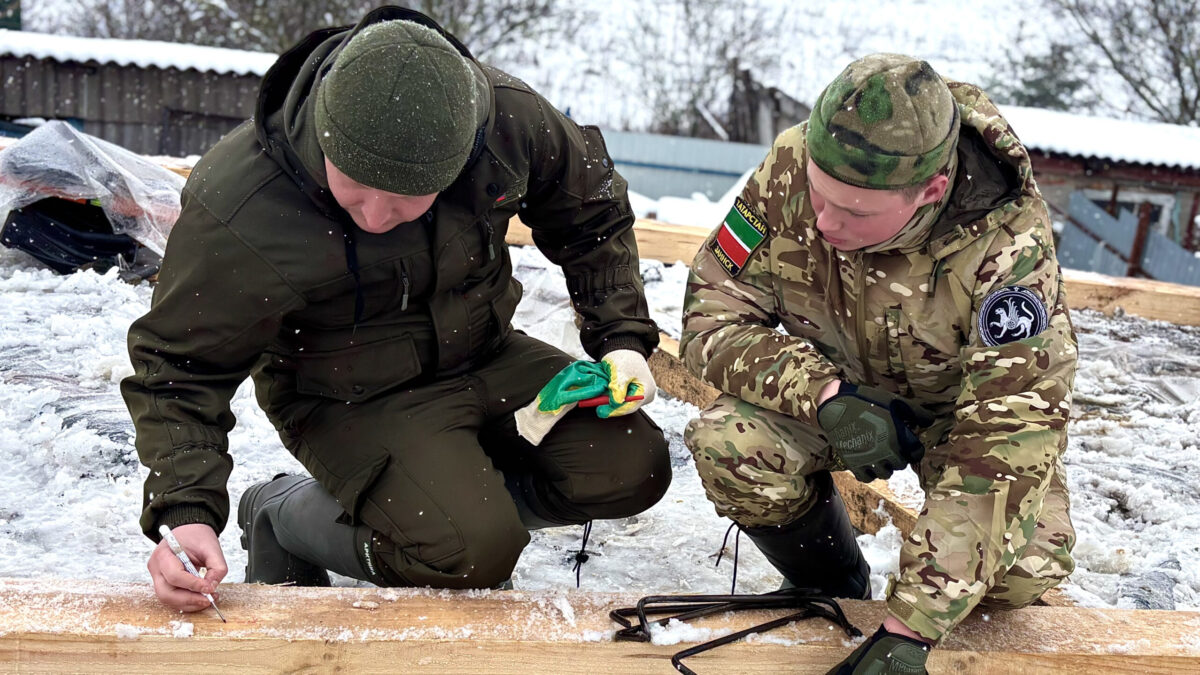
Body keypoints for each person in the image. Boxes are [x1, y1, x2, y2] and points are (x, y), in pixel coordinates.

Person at [123, 6, 670, 613]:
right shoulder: (244, 203)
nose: (378, 218)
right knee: (470, 555)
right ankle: (279, 510)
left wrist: (619, 337)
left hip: (483, 354)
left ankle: (447, 505)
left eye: (410, 199)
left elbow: (590, 206)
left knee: (631, 465)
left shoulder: (506, 121)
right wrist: (185, 510)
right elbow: (178, 365)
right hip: (349, 393)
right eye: (354, 190)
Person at [680, 53, 1077, 673]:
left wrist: (910, 627)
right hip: (838, 389)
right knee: (729, 446)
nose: (823, 221)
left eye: (858, 212)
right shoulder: (790, 165)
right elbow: (712, 311)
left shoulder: (1008, 248)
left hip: (962, 421)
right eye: (819, 194)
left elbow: (1009, 431)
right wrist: (823, 393)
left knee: (1021, 571)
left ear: (932, 191)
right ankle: (832, 583)